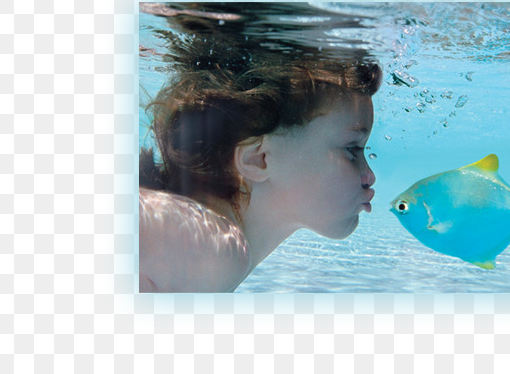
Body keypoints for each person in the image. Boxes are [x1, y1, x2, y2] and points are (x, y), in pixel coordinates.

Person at [139, 58, 382, 292]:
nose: (369, 175)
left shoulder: (209, 242)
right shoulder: (215, 249)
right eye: (352, 149)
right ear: (259, 159)